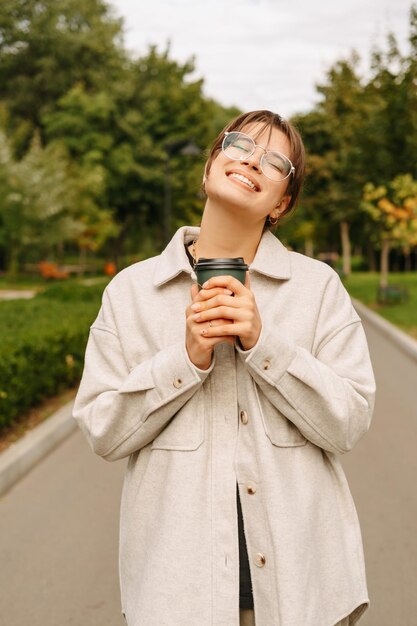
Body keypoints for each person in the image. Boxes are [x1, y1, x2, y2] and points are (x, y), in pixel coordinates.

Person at [73, 110, 376, 626]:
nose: (253, 159)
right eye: (239, 144)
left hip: (304, 594)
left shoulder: (318, 287)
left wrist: (264, 343)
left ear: (282, 201)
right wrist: (183, 360)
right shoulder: (130, 293)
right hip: (178, 598)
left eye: (276, 159)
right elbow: (102, 431)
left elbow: (348, 423)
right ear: (210, 165)